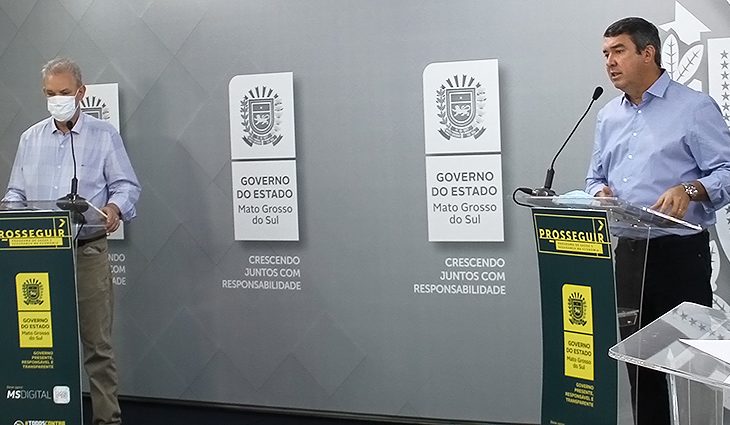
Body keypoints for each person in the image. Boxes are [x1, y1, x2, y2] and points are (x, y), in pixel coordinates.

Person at [586, 17, 730, 425]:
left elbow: (726, 171)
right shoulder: (608, 116)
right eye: (606, 54)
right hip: (629, 255)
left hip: (678, 255)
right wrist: (600, 194)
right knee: (639, 368)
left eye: (619, 51)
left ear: (647, 53)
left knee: (689, 366)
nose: (610, 62)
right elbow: (594, 178)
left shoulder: (693, 107)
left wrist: (690, 190)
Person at [3, 57, 141, 425]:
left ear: (81, 92)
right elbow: (16, 193)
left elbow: (127, 186)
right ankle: (44, 415)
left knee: (97, 346)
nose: (57, 100)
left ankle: (107, 420)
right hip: (38, 257)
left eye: (63, 93)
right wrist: (9, 211)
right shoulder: (30, 138)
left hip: (86, 252)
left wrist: (114, 208)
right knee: (40, 345)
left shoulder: (103, 135)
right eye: (50, 94)